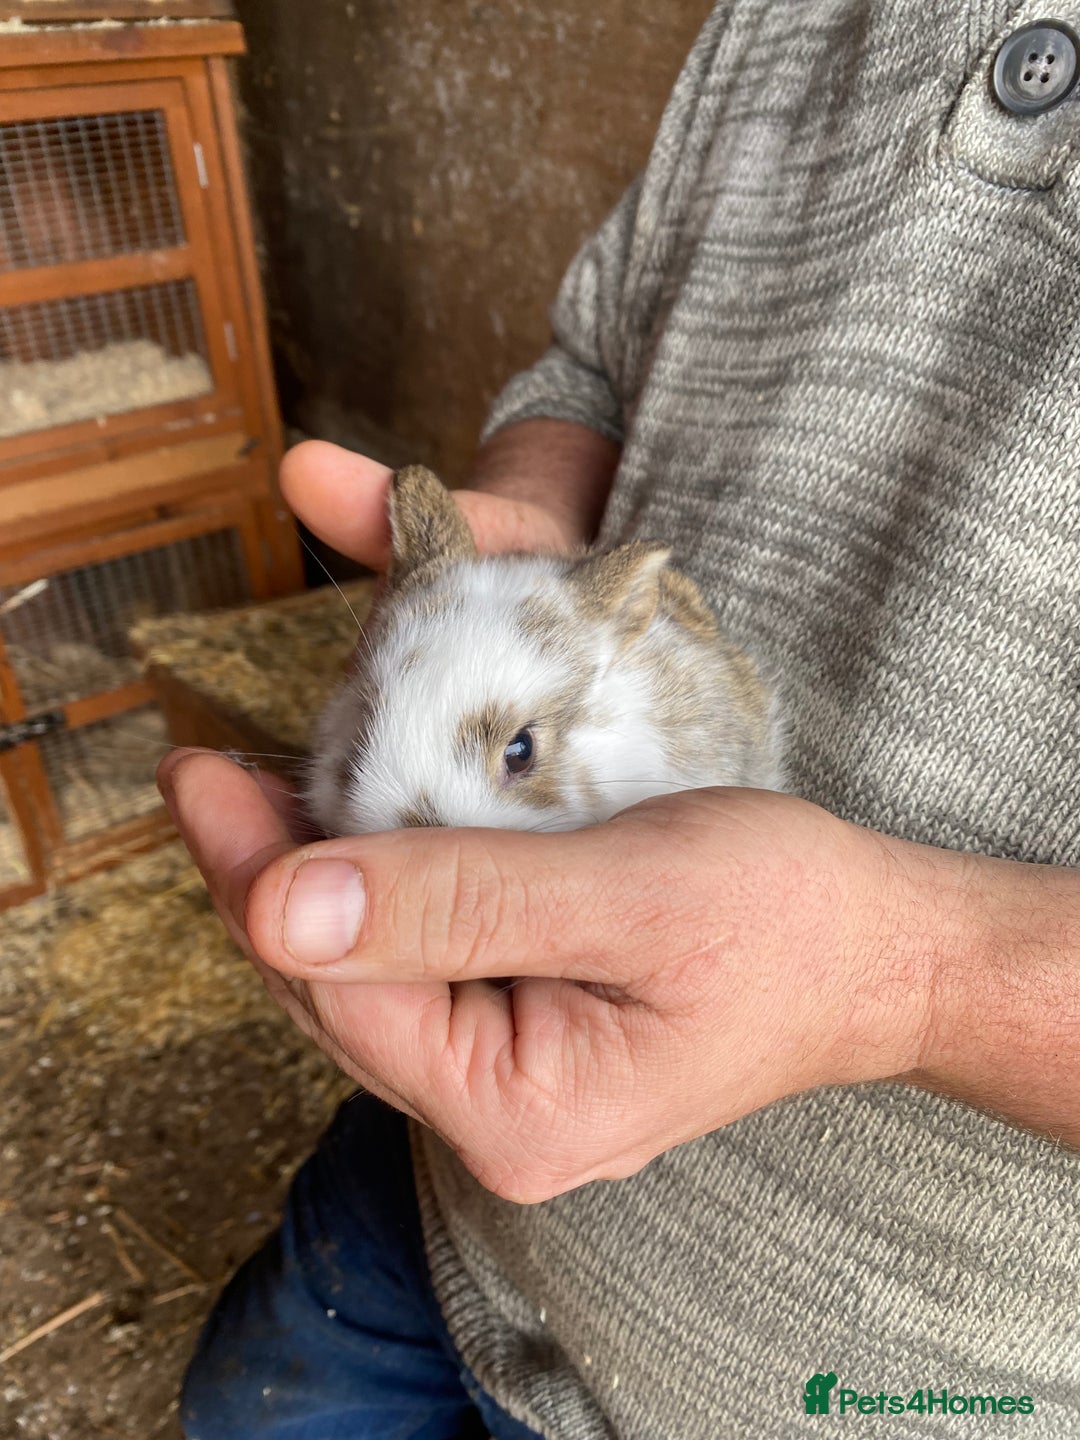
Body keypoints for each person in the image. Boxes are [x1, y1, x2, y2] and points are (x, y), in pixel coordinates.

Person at [163, 2, 1080, 1435]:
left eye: (511, 756)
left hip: (865, 1386)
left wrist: (914, 980)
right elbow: (589, 360)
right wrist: (525, 502)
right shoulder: (780, 18)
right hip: (438, 1200)